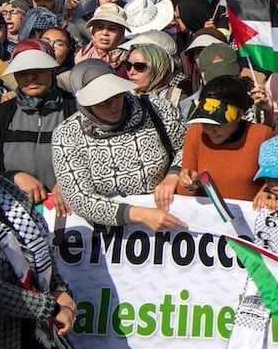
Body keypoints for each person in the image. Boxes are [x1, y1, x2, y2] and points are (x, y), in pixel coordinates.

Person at [51, 60, 188, 231]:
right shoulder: (67, 134)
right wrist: (138, 214)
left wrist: (174, 174)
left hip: (169, 220)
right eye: (102, 102)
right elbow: (79, 197)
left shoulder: (157, 109)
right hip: (109, 235)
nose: (113, 105)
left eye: (117, 96)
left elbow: (188, 146)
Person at [0, 175, 74, 349]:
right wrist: (50, 308)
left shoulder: (7, 193)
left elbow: (43, 257)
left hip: (37, 348)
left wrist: (61, 293)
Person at [166, 76, 275, 204]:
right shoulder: (195, 133)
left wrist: (267, 192)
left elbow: (277, 183)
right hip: (207, 220)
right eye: (205, 122)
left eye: (218, 124)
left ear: (239, 114)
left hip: (248, 220)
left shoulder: (262, 136)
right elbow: (186, 196)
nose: (210, 130)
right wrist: (188, 184)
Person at [0, 42, 77, 204]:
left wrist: (72, 182)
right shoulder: (2, 114)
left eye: (39, 70)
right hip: (15, 213)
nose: (31, 77)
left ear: (53, 71)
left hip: (69, 215)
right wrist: (13, 177)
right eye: (23, 72)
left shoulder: (77, 111)